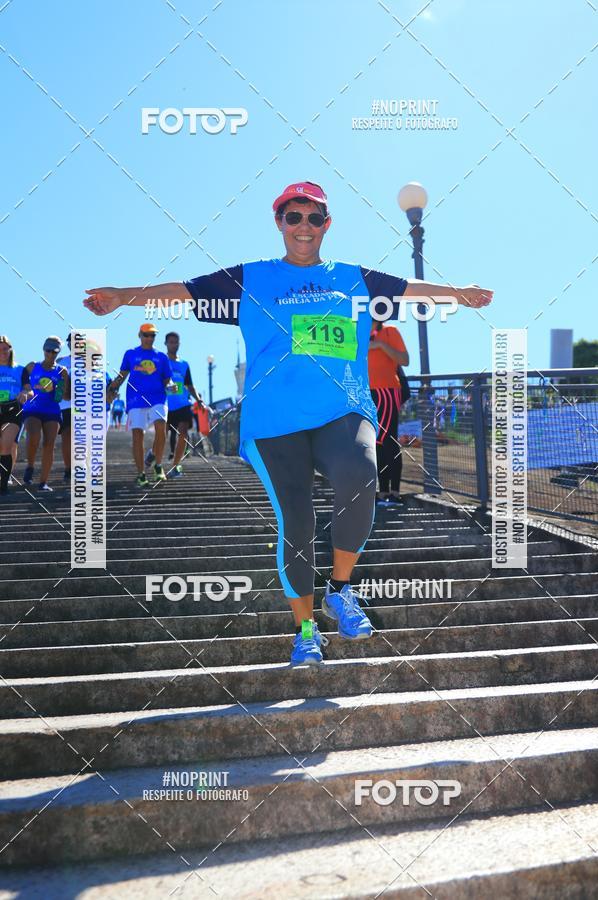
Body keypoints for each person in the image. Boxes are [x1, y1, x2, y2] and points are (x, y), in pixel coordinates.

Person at [83, 180, 493, 665]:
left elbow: (411, 289)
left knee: (361, 475)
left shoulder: (354, 278)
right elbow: (183, 291)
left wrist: (459, 295)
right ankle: (304, 629)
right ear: (279, 222)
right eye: (293, 216)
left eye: (314, 217)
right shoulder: (250, 280)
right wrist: (122, 296)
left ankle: (339, 590)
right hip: (275, 417)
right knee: (296, 519)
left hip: (343, 407)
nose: (304, 226)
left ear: (327, 224)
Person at [106, 323, 175, 487]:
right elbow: (122, 375)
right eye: (146, 335)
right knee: (138, 435)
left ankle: (158, 466)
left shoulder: (161, 357)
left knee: (161, 428)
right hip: (135, 399)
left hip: (158, 397)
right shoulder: (131, 354)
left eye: (153, 335)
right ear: (140, 335)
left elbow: (168, 379)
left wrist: (172, 386)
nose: (149, 338)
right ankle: (141, 474)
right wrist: (112, 388)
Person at [368, 320, 409, 504]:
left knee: (388, 441)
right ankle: (383, 492)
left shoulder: (390, 331)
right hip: (364, 392)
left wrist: (381, 345)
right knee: (375, 443)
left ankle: (395, 493)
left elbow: (405, 360)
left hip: (386, 391)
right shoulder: (355, 331)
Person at [21, 336, 69, 491]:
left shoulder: (61, 371)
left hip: (51, 409)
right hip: (32, 408)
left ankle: (43, 482)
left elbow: (59, 396)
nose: (51, 354)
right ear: (44, 350)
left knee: (49, 444)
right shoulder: (32, 366)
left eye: (54, 351)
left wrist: (57, 389)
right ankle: (30, 466)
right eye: (48, 351)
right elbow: (22, 377)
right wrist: (27, 388)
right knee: (34, 435)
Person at [164, 332, 204, 477]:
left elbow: (189, 385)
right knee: (162, 436)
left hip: (183, 404)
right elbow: (155, 383)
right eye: (171, 342)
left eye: (176, 342)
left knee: (183, 432)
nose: (173, 344)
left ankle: (176, 466)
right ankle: (152, 455)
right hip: (166, 405)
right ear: (166, 344)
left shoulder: (184, 364)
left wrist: (198, 399)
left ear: (179, 344)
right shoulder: (162, 361)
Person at [0, 335, 25, 496]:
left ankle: (3, 485)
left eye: (4, 349)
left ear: (10, 349)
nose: (2, 352)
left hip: (12, 410)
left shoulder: (20, 369)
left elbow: (28, 388)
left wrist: (25, 393)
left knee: (6, 445)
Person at [57, 334, 72, 482]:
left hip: (84, 404)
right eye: (71, 342)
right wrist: (64, 391)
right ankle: (68, 468)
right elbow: (54, 380)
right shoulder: (61, 361)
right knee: (67, 435)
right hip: (65, 405)